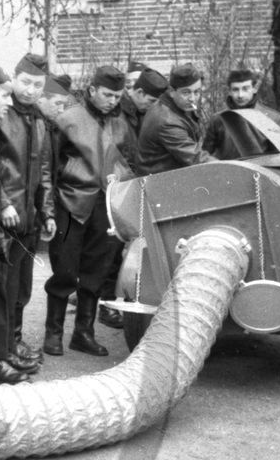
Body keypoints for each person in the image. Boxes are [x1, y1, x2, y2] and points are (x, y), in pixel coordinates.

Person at [41, 64, 135, 358]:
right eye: (107, 94)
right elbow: (49, 164)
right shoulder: (67, 118)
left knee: (96, 274)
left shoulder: (121, 124)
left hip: (105, 207)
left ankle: (83, 333)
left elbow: (129, 163)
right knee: (64, 271)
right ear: (92, 89)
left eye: (118, 96)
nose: (113, 101)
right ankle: (53, 334)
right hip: (70, 204)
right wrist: (50, 207)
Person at [0, 53, 52, 384]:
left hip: (30, 217)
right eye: (25, 83)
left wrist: (48, 212)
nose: (31, 90)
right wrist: (3, 204)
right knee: (4, 289)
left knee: (22, 288)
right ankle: (1, 350)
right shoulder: (0, 114)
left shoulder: (38, 119)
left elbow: (44, 171)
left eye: (38, 86)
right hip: (7, 216)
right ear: (14, 79)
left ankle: (12, 341)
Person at [103, 66, 167, 328]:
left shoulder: (139, 112)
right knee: (113, 249)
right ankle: (107, 305)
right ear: (138, 92)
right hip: (119, 185)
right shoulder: (120, 114)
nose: (153, 107)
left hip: (132, 182)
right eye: (151, 101)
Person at [137, 62, 216, 176]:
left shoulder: (177, 105)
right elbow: (196, 158)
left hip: (169, 177)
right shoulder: (166, 121)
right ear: (172, 92)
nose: (192, 98)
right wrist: (231, 170)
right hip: (156, 184)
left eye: (197, 92)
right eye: (186, 92)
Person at [202, 67, 280, 159]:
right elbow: (205, 154)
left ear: (254, 88)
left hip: (260, 171)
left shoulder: (274, 119)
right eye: (235, 89)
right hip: (227, 171)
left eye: (245, 89)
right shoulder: (218, 119)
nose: (240, 95)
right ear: (229, 91)